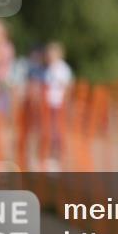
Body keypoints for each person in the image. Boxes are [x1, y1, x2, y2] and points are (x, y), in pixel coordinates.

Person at [42, 41, 73, 171]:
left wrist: (66, 102)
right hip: (48, 104)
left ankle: (59, 156)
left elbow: (67, 86)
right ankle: (50, 154)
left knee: (58, 130)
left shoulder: (63, 69)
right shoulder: (48, 68)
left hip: (59, 104)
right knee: (49, 129)